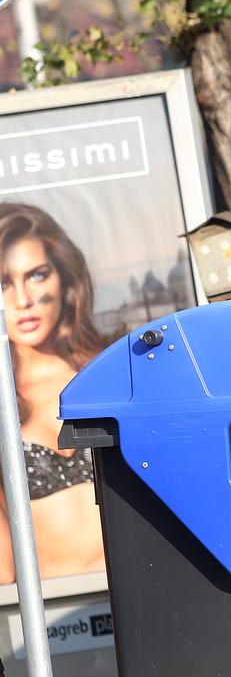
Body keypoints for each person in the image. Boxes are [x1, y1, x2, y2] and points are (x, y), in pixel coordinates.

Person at [0, 203, 107, 583]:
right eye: (3, 284)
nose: (23, 300)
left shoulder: (110, 370)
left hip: (142, 595)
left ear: (62, 276)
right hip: (55, 621)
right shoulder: (1, 403)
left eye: (37, 275)